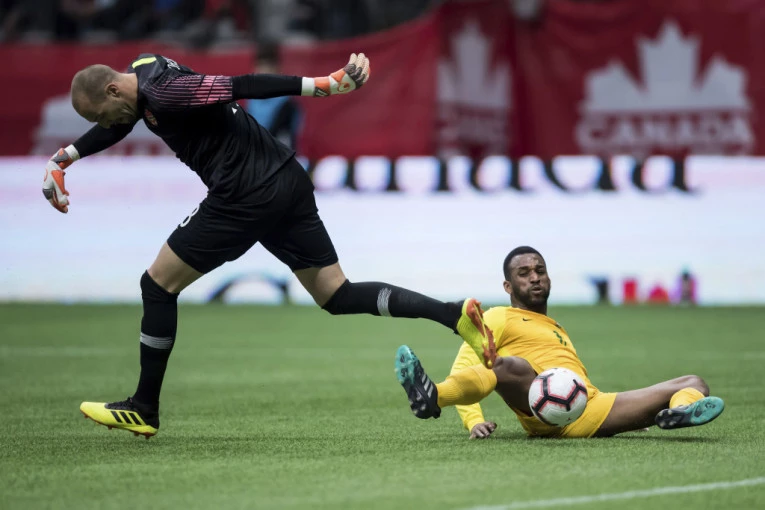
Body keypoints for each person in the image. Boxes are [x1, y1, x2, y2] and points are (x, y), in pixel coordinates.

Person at [43, 52, 488, 438]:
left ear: (113, 90)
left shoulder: (167, 92)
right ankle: (453, 314)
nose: (106, 125)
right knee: (336, 294)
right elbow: (123, 120)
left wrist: (325, 85)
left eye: (101, 115)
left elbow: (242, 85)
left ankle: (144, 407)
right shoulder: (143, 72)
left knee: (157, 284)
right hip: (285, 177)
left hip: (243, 193)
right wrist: (66, 158)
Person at [395, 246, 725, 439]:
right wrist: (474, 420)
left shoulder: (555, 327)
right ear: (508, 287)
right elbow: (468, 364)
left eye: (539, 270)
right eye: (524, 273)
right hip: (542, 410)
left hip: (589, 406)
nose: (535, 277)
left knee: (695, 382)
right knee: (507, 366)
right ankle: (433, 396)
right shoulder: (499, 317)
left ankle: (678, 412)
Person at [246, 41, 302, 150]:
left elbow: (285, 140)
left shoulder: (288, 104)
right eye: (260, 68)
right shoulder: (251, 101)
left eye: (268, 68)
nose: (263, 73)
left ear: (277, 69)